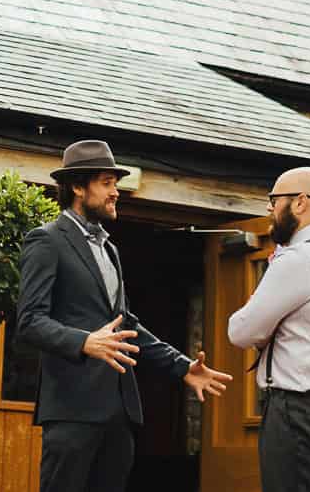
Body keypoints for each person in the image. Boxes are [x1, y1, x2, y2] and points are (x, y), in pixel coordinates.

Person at [16, 139, 232, 492]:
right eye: (106, 182)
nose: (115, 192)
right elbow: (29, 320)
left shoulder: (110, 249)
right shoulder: (47, 241)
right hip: (72, 410)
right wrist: (84, 342)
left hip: (119, 412)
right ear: (77, 187)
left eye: (115, 183)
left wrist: (182, 366)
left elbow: (126, 324)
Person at [226, 166, 310, 492]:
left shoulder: (299, 259)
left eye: (274, 199)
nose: (269, 208)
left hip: (298, 413)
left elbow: (240, 332)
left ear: (300, 202)